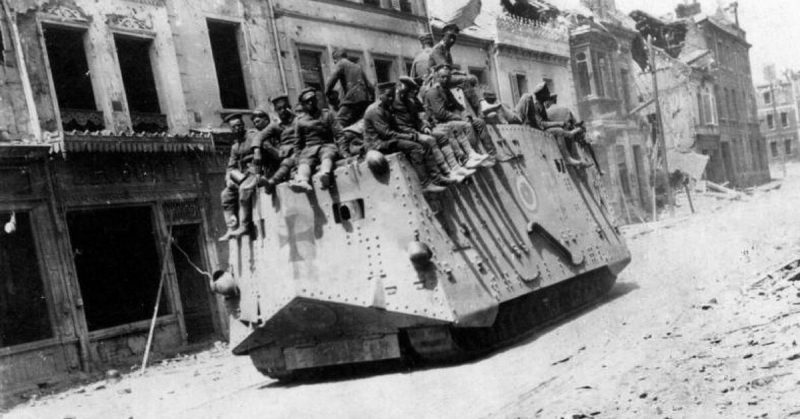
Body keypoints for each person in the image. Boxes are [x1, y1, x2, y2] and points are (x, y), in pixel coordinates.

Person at [363, 81, 447, 193]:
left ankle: (437, 178)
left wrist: (413, 134)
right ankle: (425, 184)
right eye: (388, 96)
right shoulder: (374, 110)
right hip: (377, 144)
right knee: (415, 147)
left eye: (392, 96)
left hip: (388, 140)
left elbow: (396, 127)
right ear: (380, 95)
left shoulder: (387, 107)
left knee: (425, 144)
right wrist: (410, 137)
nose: (391, 98)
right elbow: (387, 133)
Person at [393, 76, 474, 181]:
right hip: (406, 134)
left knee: (442, 135)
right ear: (402, 89)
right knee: (430, 140)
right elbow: (398, 126)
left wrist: (424, 126)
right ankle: (446, 172)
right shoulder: (394, 104)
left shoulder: (409, 102)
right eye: (410, 91)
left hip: (417, 131)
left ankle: (455, 167)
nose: (412, 94)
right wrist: (416, 132)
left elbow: (418, 119)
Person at [423, 63, 495, 168]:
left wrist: (465, 113)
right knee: (467, 125)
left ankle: (491, 154)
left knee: (479, 122)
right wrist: (459, 117)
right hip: (441, 123)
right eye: (442, 77)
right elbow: (441, 113)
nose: (445, 80)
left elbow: (458, 105)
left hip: (450, 119)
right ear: (437, 77)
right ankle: (472, 155)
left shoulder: (445, 90)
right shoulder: (433, 92)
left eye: (447, 77)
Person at [289, 87, 343, 192]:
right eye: (307, 101)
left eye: (313, 99)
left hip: (327, 145)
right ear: (303, 105)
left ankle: (325, 174)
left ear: (316, 100)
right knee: (304, 161)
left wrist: (343, 151)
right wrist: (297, 162)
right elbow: (297, 144)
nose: (310, 103)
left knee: (327, 154)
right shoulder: (300, 121)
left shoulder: (328, 114)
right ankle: (303, 182)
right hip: (309, 149)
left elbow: (339, 134)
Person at [219, 113, 260, 241]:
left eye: (239, 125)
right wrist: (228, 179)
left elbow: (259, 154)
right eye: (234, 127)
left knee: (244, 189)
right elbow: (231, 166)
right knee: (226, 194)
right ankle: (231, 228)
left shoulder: (253, 136)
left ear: (243, 125)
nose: (237, 129)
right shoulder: (235, 146)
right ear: (231, 129)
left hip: (255, 169)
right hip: (243, 174)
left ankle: (245, 226)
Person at [545, 94, 603, 174]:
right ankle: (598, 168)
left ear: (548, 102)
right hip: (570, 139)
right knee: (587, 141)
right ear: (555, 100)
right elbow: (575, 123)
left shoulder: (547, 112)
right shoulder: (566, 109)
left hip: (558, 141)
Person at [260, 95, 300, 193]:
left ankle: (272, 182)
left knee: (289, 162)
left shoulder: (298, 120)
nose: (283, 111)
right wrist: (256, 150)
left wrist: (296, 116)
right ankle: (272, 182)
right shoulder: (276, 126)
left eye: (285, 107)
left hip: (302, 150)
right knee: (288, 163)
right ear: (276, 111)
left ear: (289, 108)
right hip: (288, 155)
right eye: (279, 109)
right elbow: (259, 137)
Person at [325, 48, 374, 127]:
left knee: (338, 124)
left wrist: (328, 94)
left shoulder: (341, 63)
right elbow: (371, 87)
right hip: (364, 101)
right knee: (357, 125)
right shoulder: (358, 67)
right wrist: (371, 102)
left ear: (335, 60)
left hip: (352, 100)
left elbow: (331, 81)